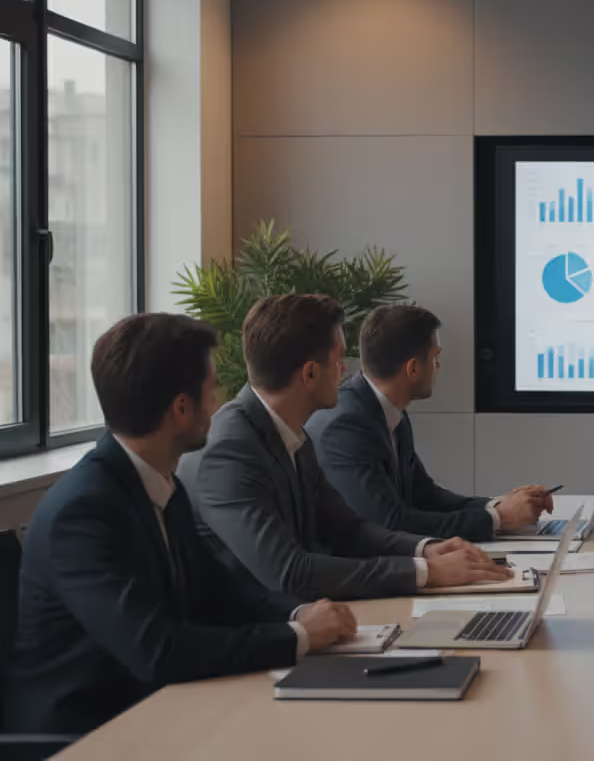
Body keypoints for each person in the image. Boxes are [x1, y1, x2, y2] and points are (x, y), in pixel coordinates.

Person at [4, 314, 357, 735]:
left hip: (161, 707)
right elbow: (158, 650)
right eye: (210, 392)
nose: (217, 404)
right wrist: (297, 636)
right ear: (181, 408)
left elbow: (217, 592)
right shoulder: (81, 513)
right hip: (87, 734)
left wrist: (302, 612)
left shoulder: (159, 483)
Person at [180, 294, 513, 602]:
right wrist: (426, 573)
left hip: (307, 621)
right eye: (339, 360)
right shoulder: (229, 452)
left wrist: (426, 550)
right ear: (310, 373)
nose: (346, 371)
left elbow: (346, 530)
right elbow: (289, 571)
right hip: (259, 642)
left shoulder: (292, 433)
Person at [307, 305, 552, 541]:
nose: (438, 366)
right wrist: (498, 518)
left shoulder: (390, 412)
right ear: (413, 368)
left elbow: (424, 495)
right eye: (435, 358)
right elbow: (388, 522)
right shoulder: (345, 426)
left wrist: (499, 504)